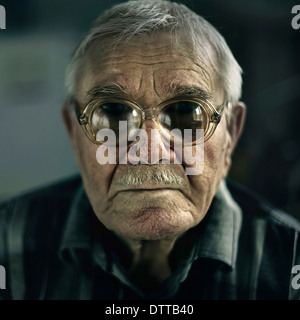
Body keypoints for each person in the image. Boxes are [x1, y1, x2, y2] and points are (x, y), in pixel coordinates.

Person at [0, 0, 300, 300]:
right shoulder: (6, 241)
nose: (150, 149)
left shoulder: (290, 260)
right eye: (114, 112)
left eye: (185, 111)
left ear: (231, 133)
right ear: (73, 131)